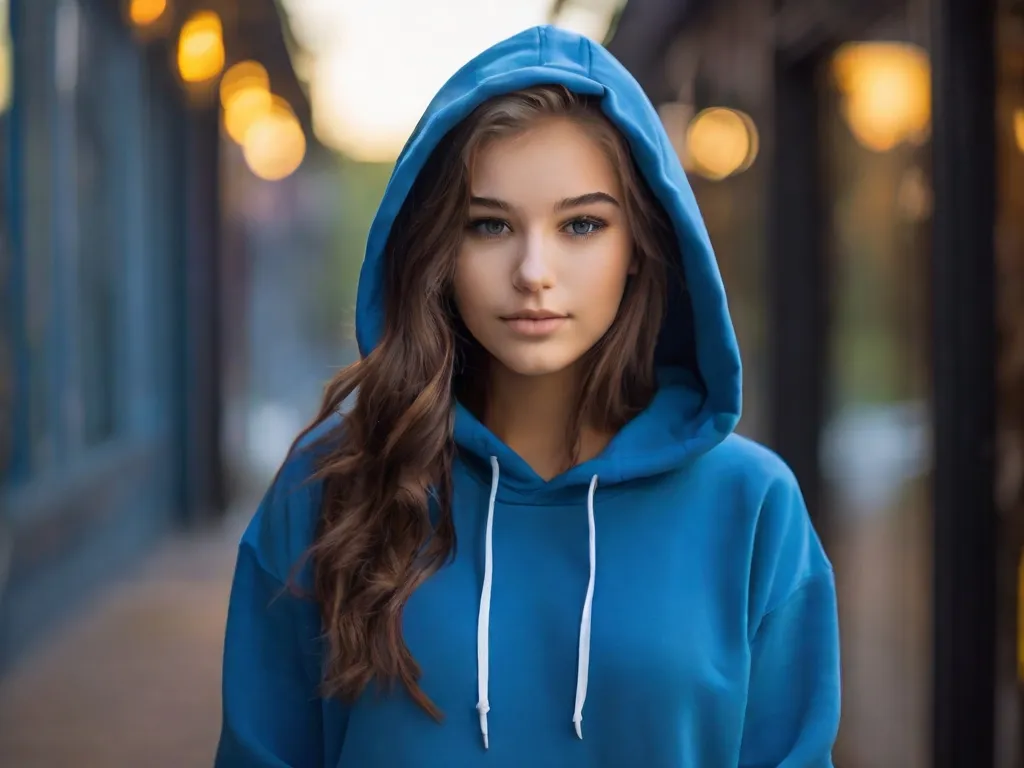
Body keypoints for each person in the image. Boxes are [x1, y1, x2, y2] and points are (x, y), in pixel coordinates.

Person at [215, 24, 841, 768]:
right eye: (489, 225)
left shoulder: (752, 508)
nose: (533, 270)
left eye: (581, 224)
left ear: (639, 246)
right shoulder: (331, 488)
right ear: (437, 251)